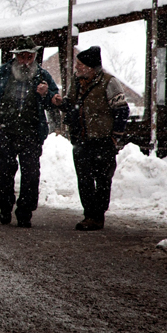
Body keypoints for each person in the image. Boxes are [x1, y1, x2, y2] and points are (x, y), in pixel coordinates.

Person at [0, 37, 59, 227]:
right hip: (4, 132)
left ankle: (25, 213)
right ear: (16, 56)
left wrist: (46, 94)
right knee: (2, 173)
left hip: (31, 133)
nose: (25, 61)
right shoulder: (2, 73)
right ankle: (5, 206)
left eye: (29, 57)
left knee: (31, 175)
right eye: (22, 57)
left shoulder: (42, 76)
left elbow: (54, 102)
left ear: (35, 57)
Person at [52, 46, 129, 231]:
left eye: (80, 64)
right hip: (81, 140)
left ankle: (97, 216)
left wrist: (115, 138)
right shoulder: (77, 82)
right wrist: (60, 103)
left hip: (103, 141)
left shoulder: (110, 83)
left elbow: (122, 110)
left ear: (91, 67)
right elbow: (70, 105)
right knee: (84, 179)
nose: (76, 67)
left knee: (103, 180)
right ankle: (89, 215)